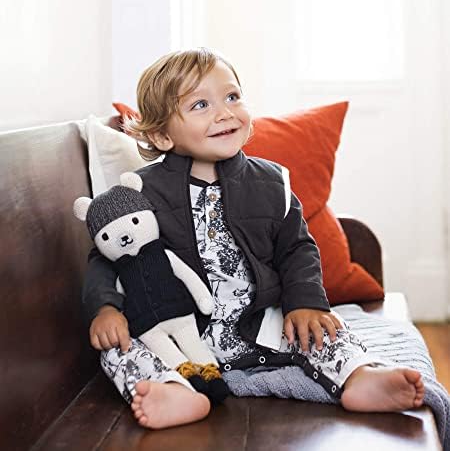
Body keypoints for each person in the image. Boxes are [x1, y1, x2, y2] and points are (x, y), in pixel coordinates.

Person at [83, 47, 425, 429]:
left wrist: (305, 303)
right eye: (201, 105)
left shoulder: (270, 182)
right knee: (118, 350)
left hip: (260, 323)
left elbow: (297, 249)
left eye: (232, 97)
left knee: (325, 331)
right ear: (162, 135)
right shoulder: (142, 193)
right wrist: (105, 308)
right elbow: (107, 257)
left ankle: (360, 376)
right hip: (183, 335)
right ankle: (175, 390)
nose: (225, 113)